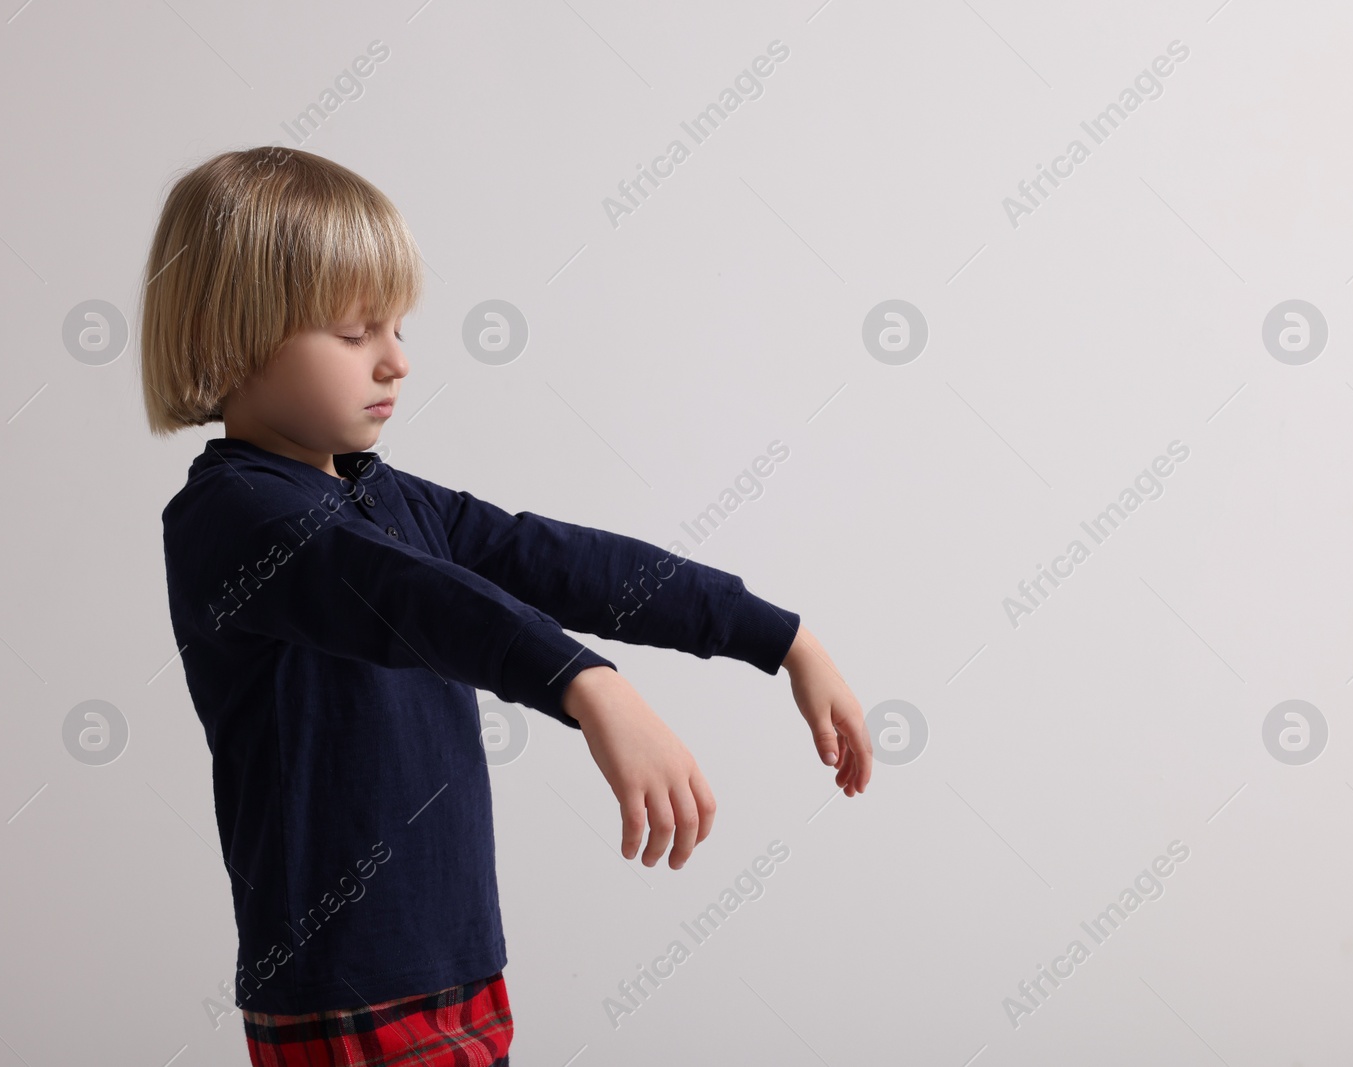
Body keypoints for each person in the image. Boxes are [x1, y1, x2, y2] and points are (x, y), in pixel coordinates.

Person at [140, 145, 871, 1067]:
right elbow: (405, 596)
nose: (397, 360)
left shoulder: (387, 497)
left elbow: (560, 561)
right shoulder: (233, 520)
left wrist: (782, 636)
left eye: (397, 326)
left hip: (459, 962)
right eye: (355, 332)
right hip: (347, 987)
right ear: (229, 335)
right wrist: (588, 685)